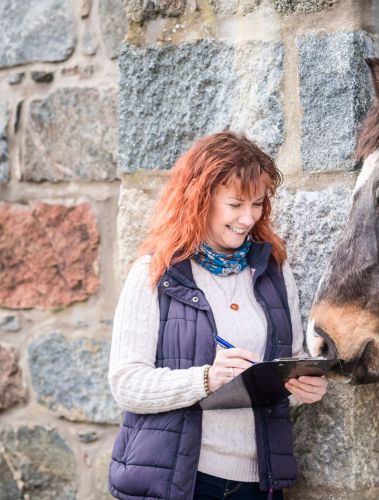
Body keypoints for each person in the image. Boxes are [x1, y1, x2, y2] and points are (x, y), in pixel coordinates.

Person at [108, 131, 328, 499]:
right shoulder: (154, 273)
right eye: (236, 204)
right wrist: (205, 380)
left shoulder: (273, 269)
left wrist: (302, 387)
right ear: (200, 199)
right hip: (182, 482)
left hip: (259, 484)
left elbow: (279, 370)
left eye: (257, 204)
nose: (248, 218)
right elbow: (126, 384)